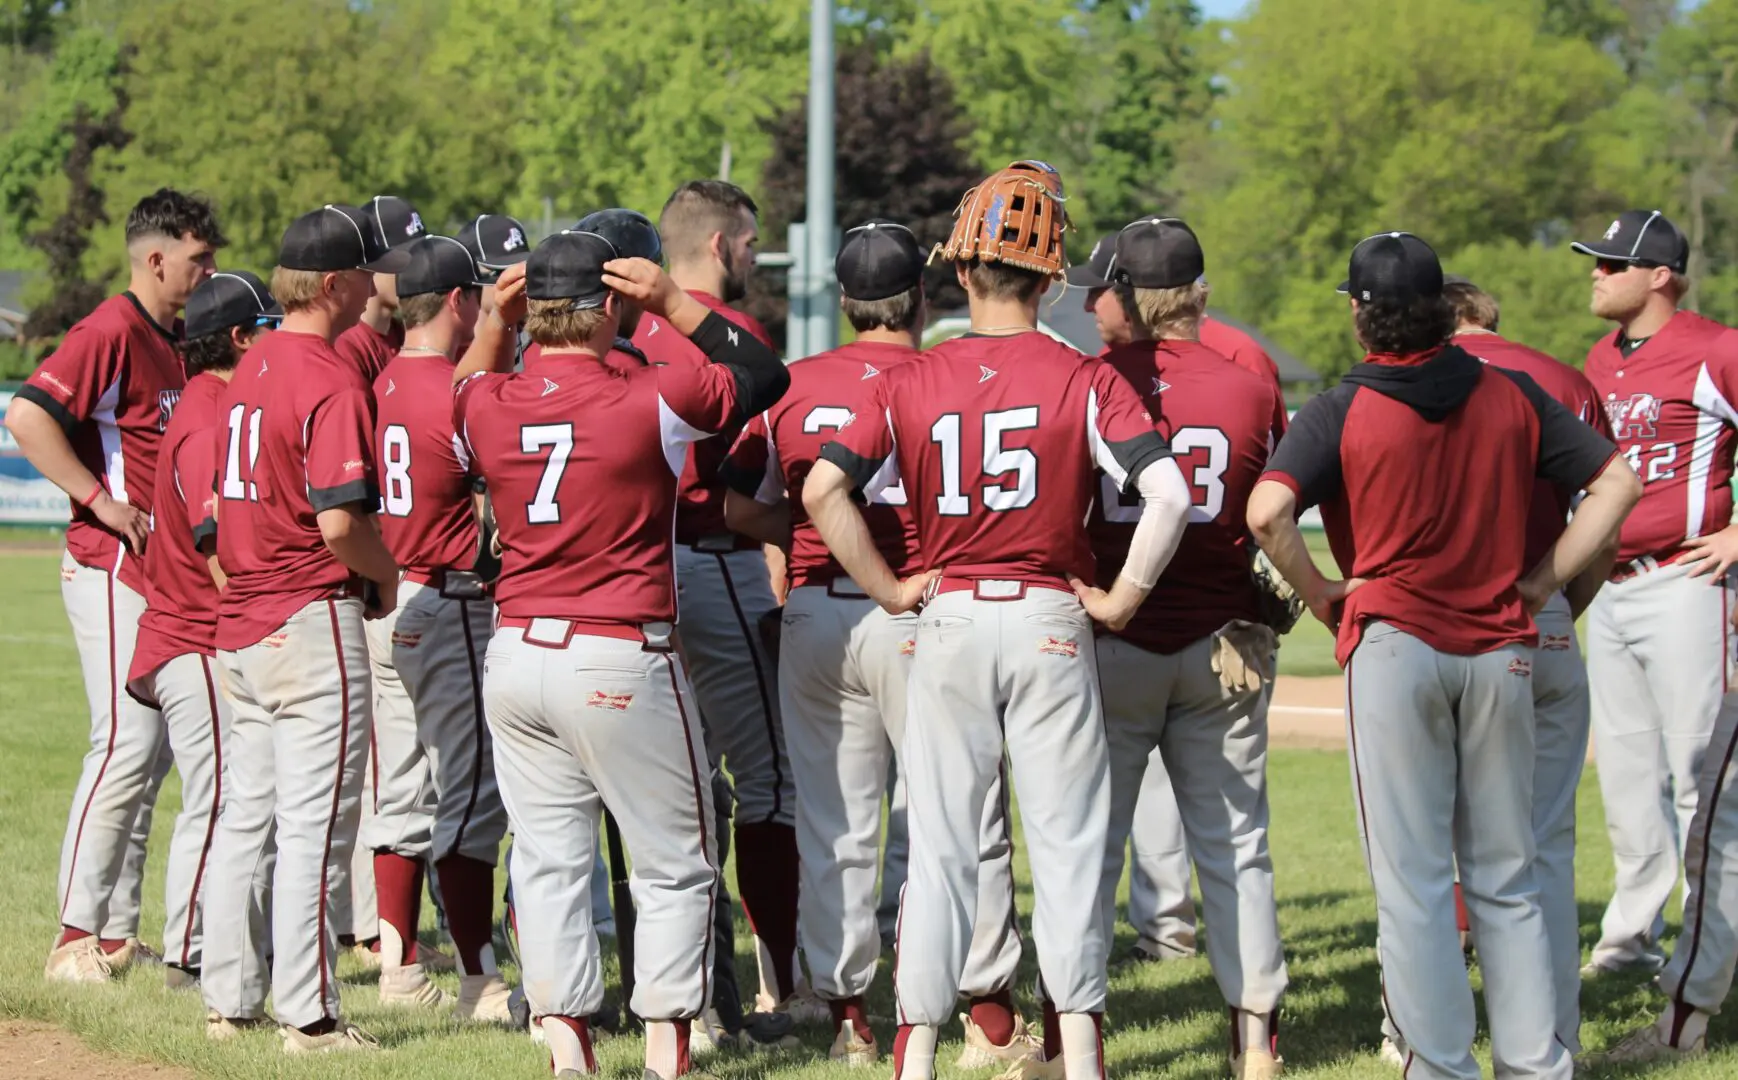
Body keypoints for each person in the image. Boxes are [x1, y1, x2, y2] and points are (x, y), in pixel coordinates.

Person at [806, 160, 1193, 1080]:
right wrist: (1125, 597)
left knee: (940, 849)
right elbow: (1169, 495)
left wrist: (893, 590)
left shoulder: (911, 376)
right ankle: (1082, 1054)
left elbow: (823, 489)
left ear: (961, 270)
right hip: (1053, 617)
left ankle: (917, 1054)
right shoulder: (1084, 375)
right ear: (1054, 277)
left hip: (950, 615)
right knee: (1065, 849)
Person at [1246, 231, 1639, 1080]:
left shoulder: (1342, 405)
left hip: (1397, 646)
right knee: (1509, 876)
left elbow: (1266, 512)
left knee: (1416, 884)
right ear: (1440, 306)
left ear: (1360, 313)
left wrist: (1321, 596)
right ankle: (1536, 1066)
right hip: (1501, 646)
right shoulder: (1513, 393)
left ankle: (1442, 1065)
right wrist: (1543, 581)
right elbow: (1618, 484)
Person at [450, 227, 791, 1080]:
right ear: (610, 308)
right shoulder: (650, 393)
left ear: (530, 308)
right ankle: (669, 1050)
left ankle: (569, 1049)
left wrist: (495, 323)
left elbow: (461, 394)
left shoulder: (490, 399)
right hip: (617, 649)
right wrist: (672, 303)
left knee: (549, 856)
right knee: (676, 861)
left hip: (519, 648)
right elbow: (763, 376)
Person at [720, 221, 1033, 1070]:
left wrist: (818, 526)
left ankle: (849, 1013)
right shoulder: (942, 373)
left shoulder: (789, 382)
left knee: (835, 822)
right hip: (917, 608)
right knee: (959, 816)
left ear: (845, 300)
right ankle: (988, 1015)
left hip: (818, 613)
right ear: (921, 298)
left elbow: (739, 507)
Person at [1084, 218, 1289, 1080]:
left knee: (1087, 846)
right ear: (1200, 290)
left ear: (1124, 295)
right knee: (1237, 845)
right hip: (1222, 638)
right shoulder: (1248, 388)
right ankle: (1254, 1043)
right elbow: (1273, 508)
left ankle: (1075, 1039)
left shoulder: (1093, 380)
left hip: (1114, 636)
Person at [202, 203, 406, 1053]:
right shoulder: (327, 373)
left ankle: (228, 999)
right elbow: (338, 524)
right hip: (306, 614)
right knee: (318, 828)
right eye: (364, 270)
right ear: (332, 284)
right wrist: (388, 571)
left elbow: (215, 515)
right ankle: (312, 1017)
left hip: (240, 619)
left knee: (247, 817)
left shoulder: (247, 367)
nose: (373, 283)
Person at [6, 188, 224, 983]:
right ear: (156, 258)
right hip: (109, 567)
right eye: (199, 258)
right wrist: (100, 501)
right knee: (124, 744)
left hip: (155, 573)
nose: (210, 271)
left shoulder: (176, 334)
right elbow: (26, 417)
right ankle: (73, 934)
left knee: (153, 752)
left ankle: (115, 932)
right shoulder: (110, 329)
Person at [630, 180, 810, 1032]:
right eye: (746, 242)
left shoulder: (628, 330)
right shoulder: (729, 338)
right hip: (711, 559)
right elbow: (742, 488)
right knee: (769, 783)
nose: (752, 255)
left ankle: (691, 991)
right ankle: (783, 981)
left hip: (634, 574)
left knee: (680, 795)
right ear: (714, 245)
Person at [1440, 276, 1613, 1053]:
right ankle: (1554, 1040)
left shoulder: (1429, 377)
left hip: (1443, 622)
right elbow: (1605, 525)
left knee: (1428, 845)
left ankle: (1416, 1033)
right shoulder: (1567, 380)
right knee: (1545, 844)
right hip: (1538, 618)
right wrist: (1556, 601)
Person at [1566, 210, 1738, 981]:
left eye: (1612, 264)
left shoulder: (1717, 348)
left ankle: (1708, 952)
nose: (1596, 275)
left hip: (1688, 583)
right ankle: (1631, 942)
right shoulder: (1599, 357)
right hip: (1611, 586)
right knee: (1630, 777)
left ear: (1660, 274)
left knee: (1703, 775)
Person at [365, 235, 513, 1021]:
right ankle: (476, 976)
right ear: (458, 301)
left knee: (405, 788)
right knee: (470, 795)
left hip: (394, 600)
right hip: (451, 600)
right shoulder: (453, 389)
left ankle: (395, 964)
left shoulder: (384, 377)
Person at [125, 271, 279, 992]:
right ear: (242, 338)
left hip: (197, 632)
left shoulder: (211, 402)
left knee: (231, 796)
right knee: (221, 797)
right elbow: (212, 540)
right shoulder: (212, 411)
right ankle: (189, 950)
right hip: (194, 636)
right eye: (268, 326)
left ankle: (212, 943)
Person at [334, 195, 427, 384]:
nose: (419, 272)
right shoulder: (346, 345)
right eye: (406, 261)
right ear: (376, 263)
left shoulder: (404, 334)